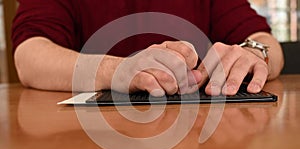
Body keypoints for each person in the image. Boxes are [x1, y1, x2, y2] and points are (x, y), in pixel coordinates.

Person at [12, 0, 284, 97]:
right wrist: (118, 70)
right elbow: (29, 55)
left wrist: (253, 53)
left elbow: (266, 41)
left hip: (199, 144)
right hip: (85, 142)